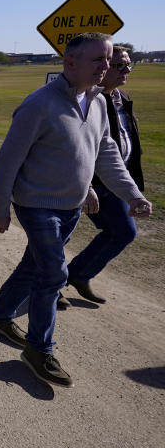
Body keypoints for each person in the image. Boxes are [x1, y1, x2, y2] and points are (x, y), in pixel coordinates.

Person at [0, 32, 152, 388]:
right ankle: (39, 349)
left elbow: (104, 153)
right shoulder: (38, 104)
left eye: (108, 60)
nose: (105, 67)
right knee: (54, 275)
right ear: (69, 62)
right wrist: (0, 210)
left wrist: (131, 194)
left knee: (35, 265)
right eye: (98, 60)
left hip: (73, 206)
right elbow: (6, 162)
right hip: (37, 204)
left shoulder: (99, 102)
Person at [64, 46, 143, 304]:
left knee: (123, 232)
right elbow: (72, 146)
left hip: (115, 182)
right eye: (119, 65)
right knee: (54, 237)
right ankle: (48, 287)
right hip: (89, 182)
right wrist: (86, 185)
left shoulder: (123, 97)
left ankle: (77, 274)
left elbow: (122, 140)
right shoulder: (88, 100)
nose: (126, 70)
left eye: (129, 65)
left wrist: (132, 187)